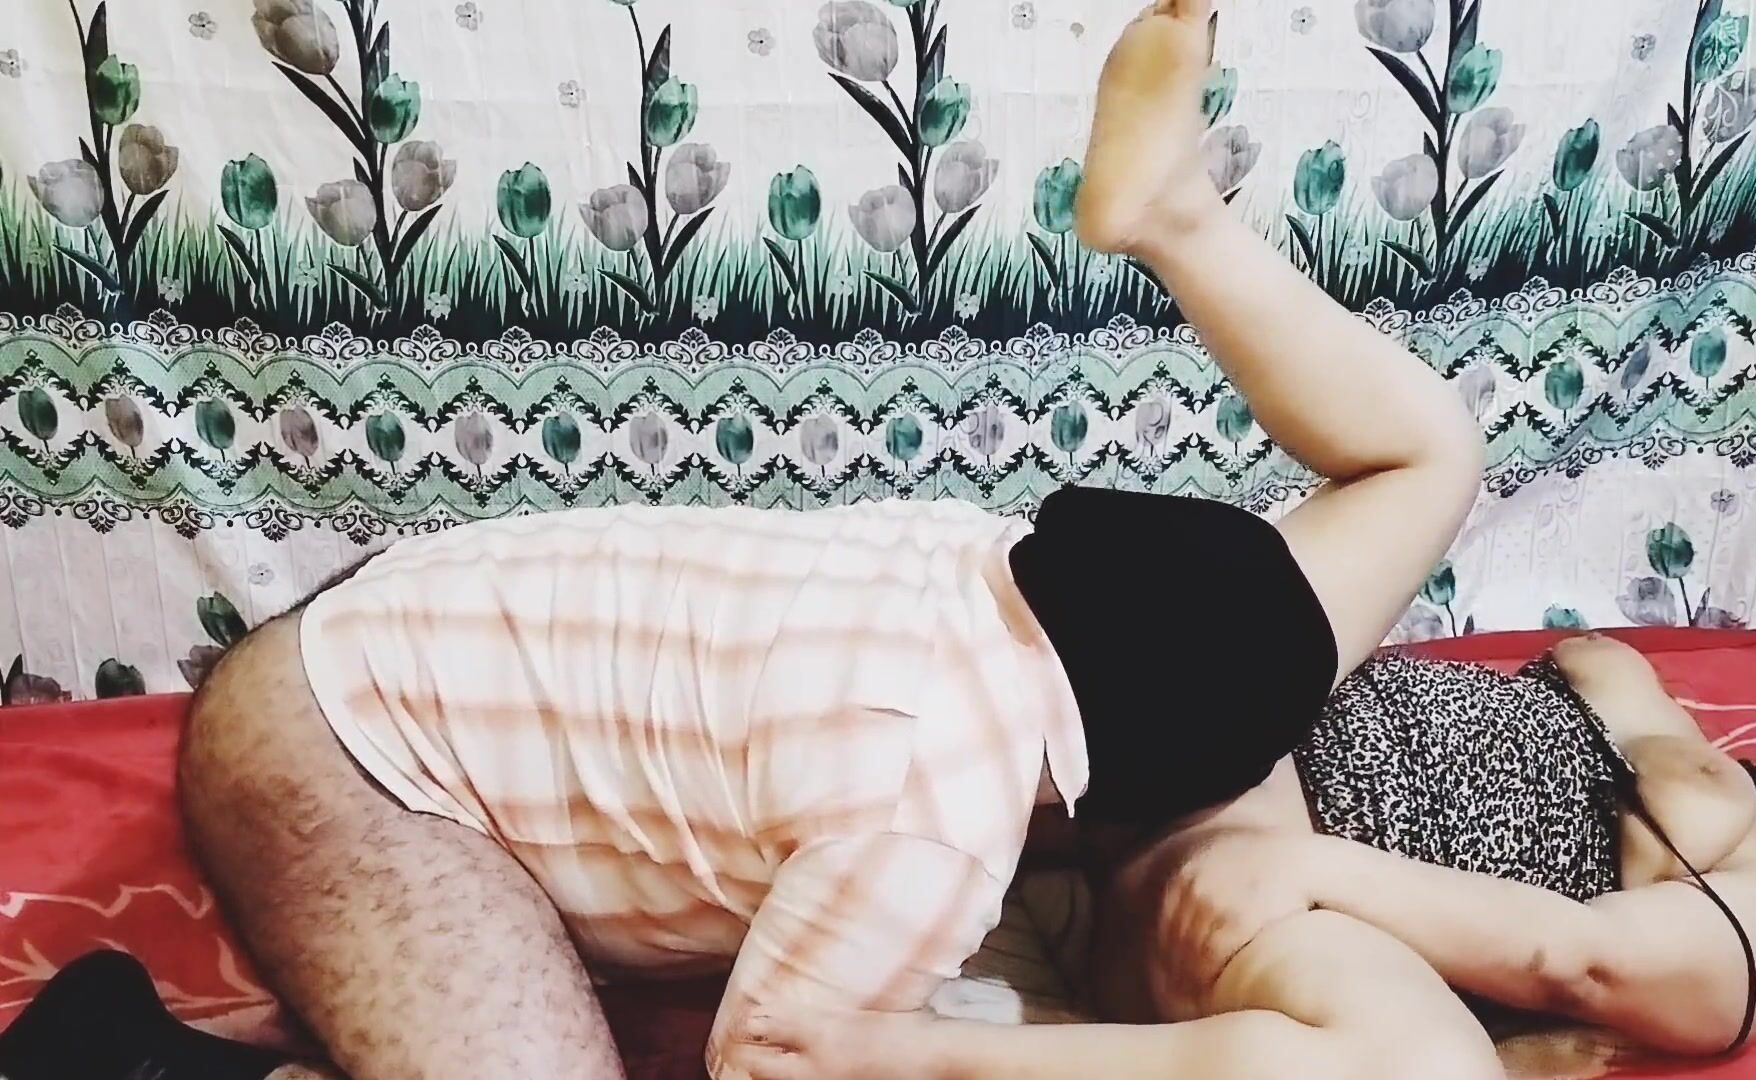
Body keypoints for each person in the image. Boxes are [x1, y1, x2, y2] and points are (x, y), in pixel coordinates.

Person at [173, 3, 1483, 1079]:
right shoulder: (931, 822)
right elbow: (767, 1059)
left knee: (1430, 463)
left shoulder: (984, 559)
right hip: (345, 755)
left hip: (407, 625)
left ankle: (1175, 218)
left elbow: (1394, 487)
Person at [725, 2, 1756, 1077]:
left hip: (1250, 884)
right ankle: (1169, 214)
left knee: (1427, 1071)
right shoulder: (1644, 706)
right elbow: (1595, 675)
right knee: (1426, 460)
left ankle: (918, 1057)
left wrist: (1311, 872)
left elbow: (1576, 958)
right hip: (1209, 735)